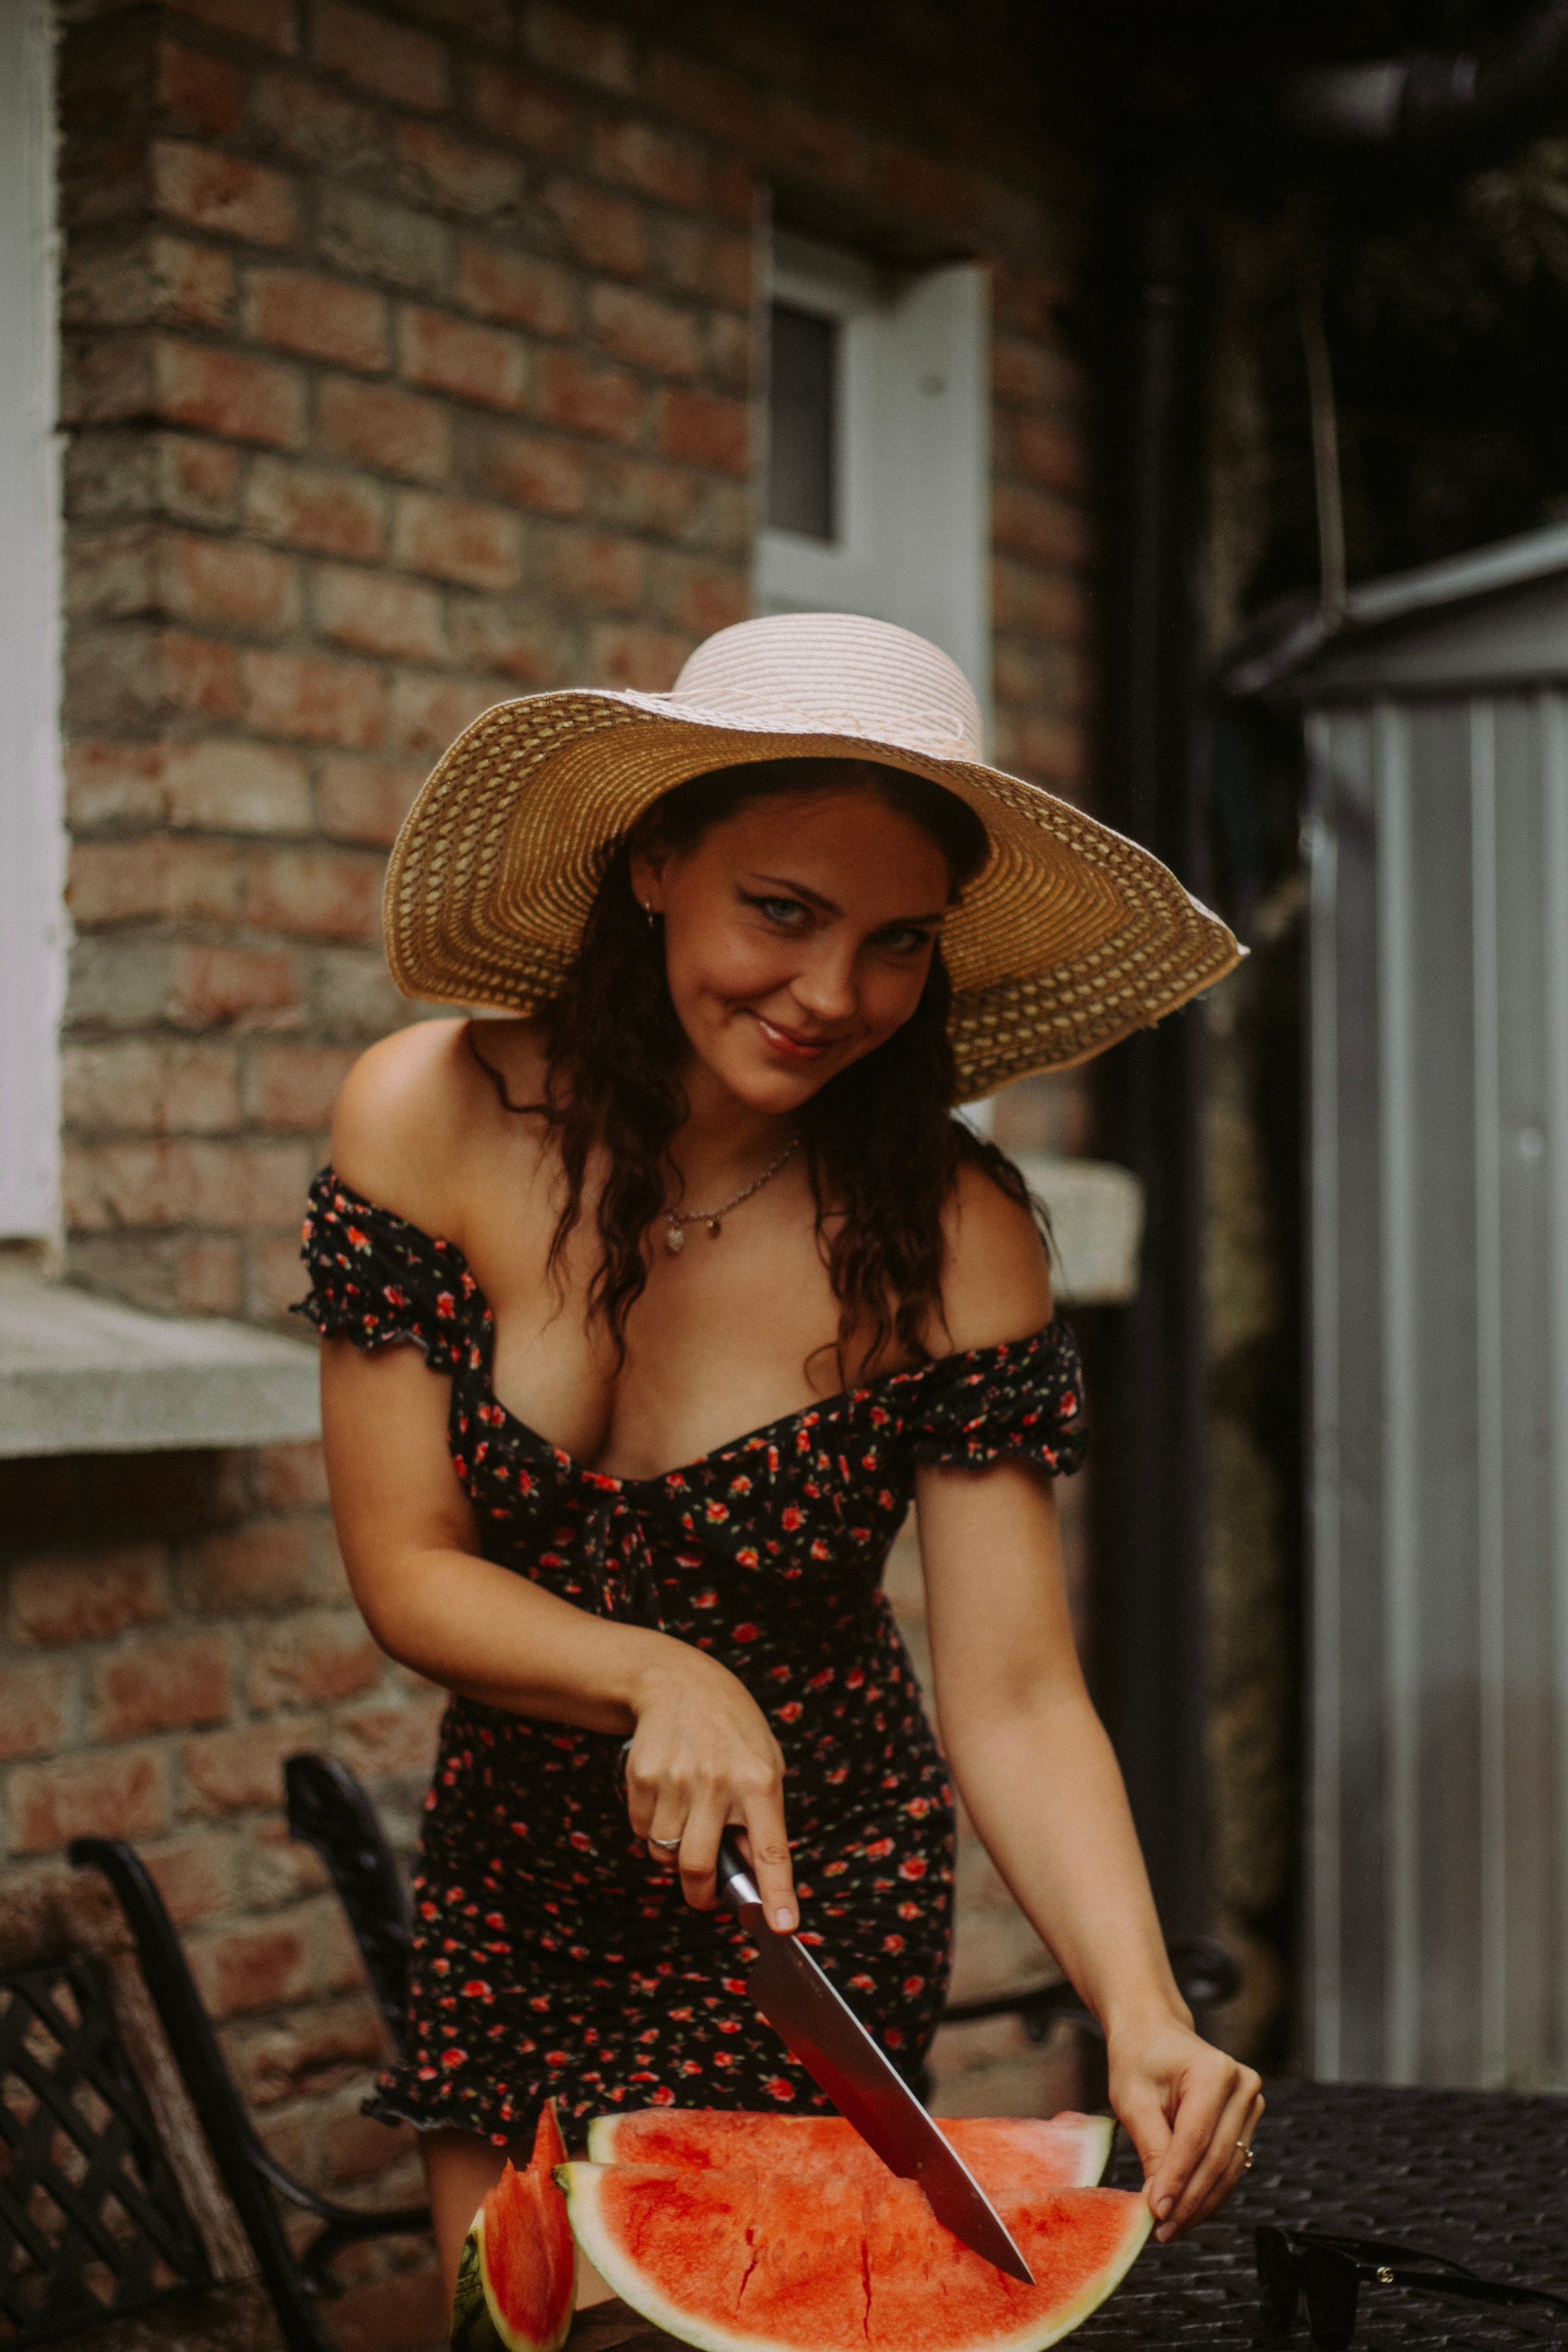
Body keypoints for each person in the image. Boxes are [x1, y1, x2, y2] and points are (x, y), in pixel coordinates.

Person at [298, 612, 1257, 2307]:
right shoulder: (422, 1119)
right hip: (521, 1885)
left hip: (814, 1904)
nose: (833, 996)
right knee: (501, 2325)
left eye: (897, 943)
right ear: (658, 860)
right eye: (784, 914)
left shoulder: (956, 1241)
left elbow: (1021, 1693)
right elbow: (407, 1570)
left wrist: (1141, 2009)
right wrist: (662, 1673)